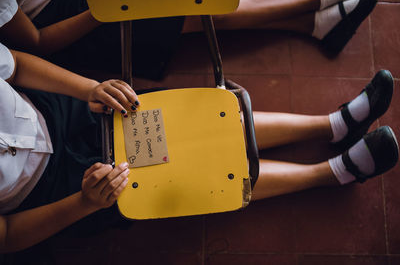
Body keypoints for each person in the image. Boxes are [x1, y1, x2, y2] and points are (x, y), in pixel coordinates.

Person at [0, 40, 398, 253]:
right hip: (50, 194)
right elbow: (7, 236)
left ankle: (331, 125)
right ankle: (333, 172)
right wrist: (85, 204)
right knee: (184, 176)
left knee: (189, 124)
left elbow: (14, 63)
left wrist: (88, 87)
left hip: (53, 112)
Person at [0, 0, 380, 80]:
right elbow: (35, 43)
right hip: (66, 22)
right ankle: (315, 2)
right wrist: (100, 11)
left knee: (193, 13)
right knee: (189, 10)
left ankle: (314, 25)